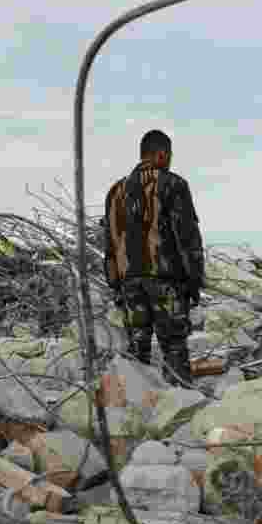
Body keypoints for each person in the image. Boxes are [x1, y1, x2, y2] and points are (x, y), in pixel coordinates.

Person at [104, 129, 205, 386]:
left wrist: (115, 286)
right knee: (173, 349)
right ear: (161, 155)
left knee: (137, 354)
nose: (170, 160)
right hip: (166, 282)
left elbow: (110, 246)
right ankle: (180, 409)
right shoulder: (174, 184)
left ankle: (139, 412)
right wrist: (194, 284)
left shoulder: (115, 191)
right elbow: (188, 237)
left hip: (129, 284)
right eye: (169, 155)